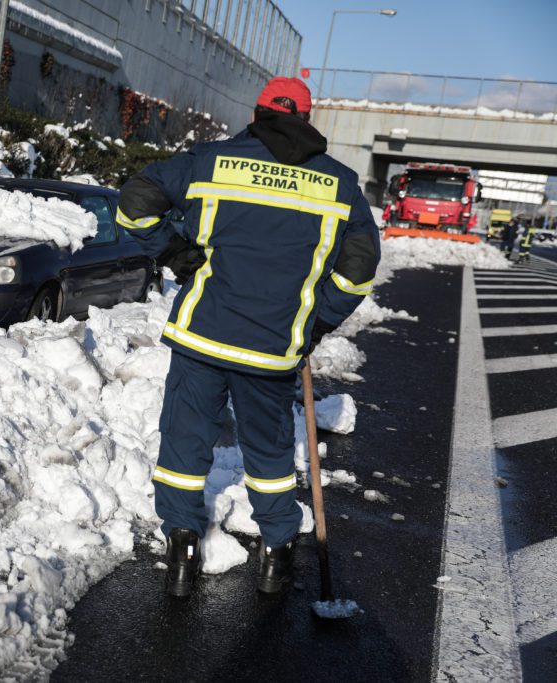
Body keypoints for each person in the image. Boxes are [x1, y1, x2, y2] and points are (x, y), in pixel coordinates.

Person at [116, 77, 380, 598]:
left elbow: (133, 203)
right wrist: (316, 321)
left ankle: (183, 546)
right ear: (306, 117)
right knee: (270, 454)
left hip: (203, 337)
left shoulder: (209, 161)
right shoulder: (340, 184)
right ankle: (277, 554)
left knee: (185, 446)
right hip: (273, 349)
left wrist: (173, 252)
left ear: (257, 112)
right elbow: (358, 271)